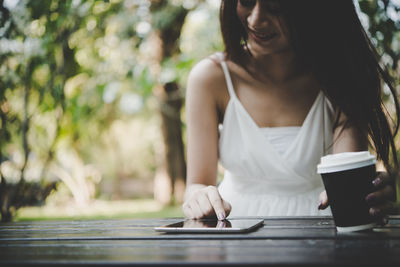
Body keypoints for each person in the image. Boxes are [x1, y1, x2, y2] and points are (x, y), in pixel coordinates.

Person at [182, 0, 399, 223]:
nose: (255, 19)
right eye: (246, 1)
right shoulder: (210, 78)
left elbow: (348, 175)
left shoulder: (342, 79)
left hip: (320, 237)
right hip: (232, 231)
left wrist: (366, 192)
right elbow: (196, 185)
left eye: (276, 6)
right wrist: (200, 197)